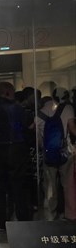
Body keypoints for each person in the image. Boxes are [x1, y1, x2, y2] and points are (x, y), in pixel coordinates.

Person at [0, 82, 33, 231]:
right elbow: (25, 128)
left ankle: (2, 220)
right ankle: (23, 217)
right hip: (18, 149)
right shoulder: (19, 109)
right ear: (8, 92)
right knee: (19, 186)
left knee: (0, 187)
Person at [35, 87, 76, 221]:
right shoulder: (68, 109)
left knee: (51, 183)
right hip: (65, 152)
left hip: (48, 152)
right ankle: (68, 213)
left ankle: (51, 213)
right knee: (67, 184)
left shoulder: (41, 112)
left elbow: (35, 131)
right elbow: (72, 129)